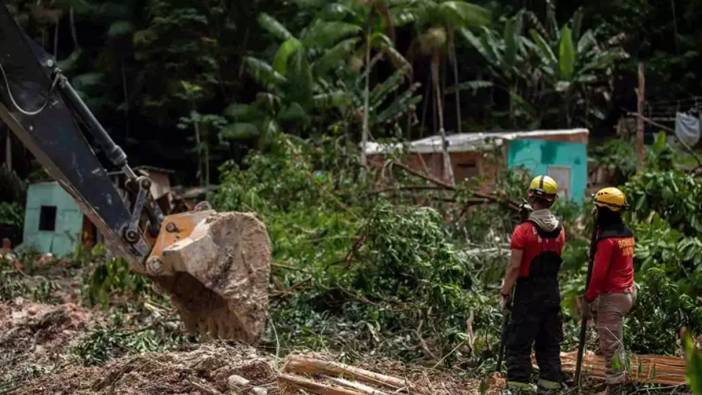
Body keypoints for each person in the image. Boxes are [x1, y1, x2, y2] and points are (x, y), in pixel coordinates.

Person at [500, 175, 565, 394]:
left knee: (518, 342)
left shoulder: (523, 231)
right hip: (552, 293)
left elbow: (515, 267)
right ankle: (550, 387)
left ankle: (519, 388)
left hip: (528, 295)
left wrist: (505, 292)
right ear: (553, 200)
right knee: (549, 344)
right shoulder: (561, 231)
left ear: (530, 196)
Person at [580, 187, 635, 395]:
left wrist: (588, 297)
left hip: (613, 296)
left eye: (598, 208)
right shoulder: (627, 234)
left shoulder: (607, 240)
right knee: (610, 336)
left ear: (604, 211)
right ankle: (602, 348)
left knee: (612, 344)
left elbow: (599, 275)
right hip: (628, 292)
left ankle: (615, 387)